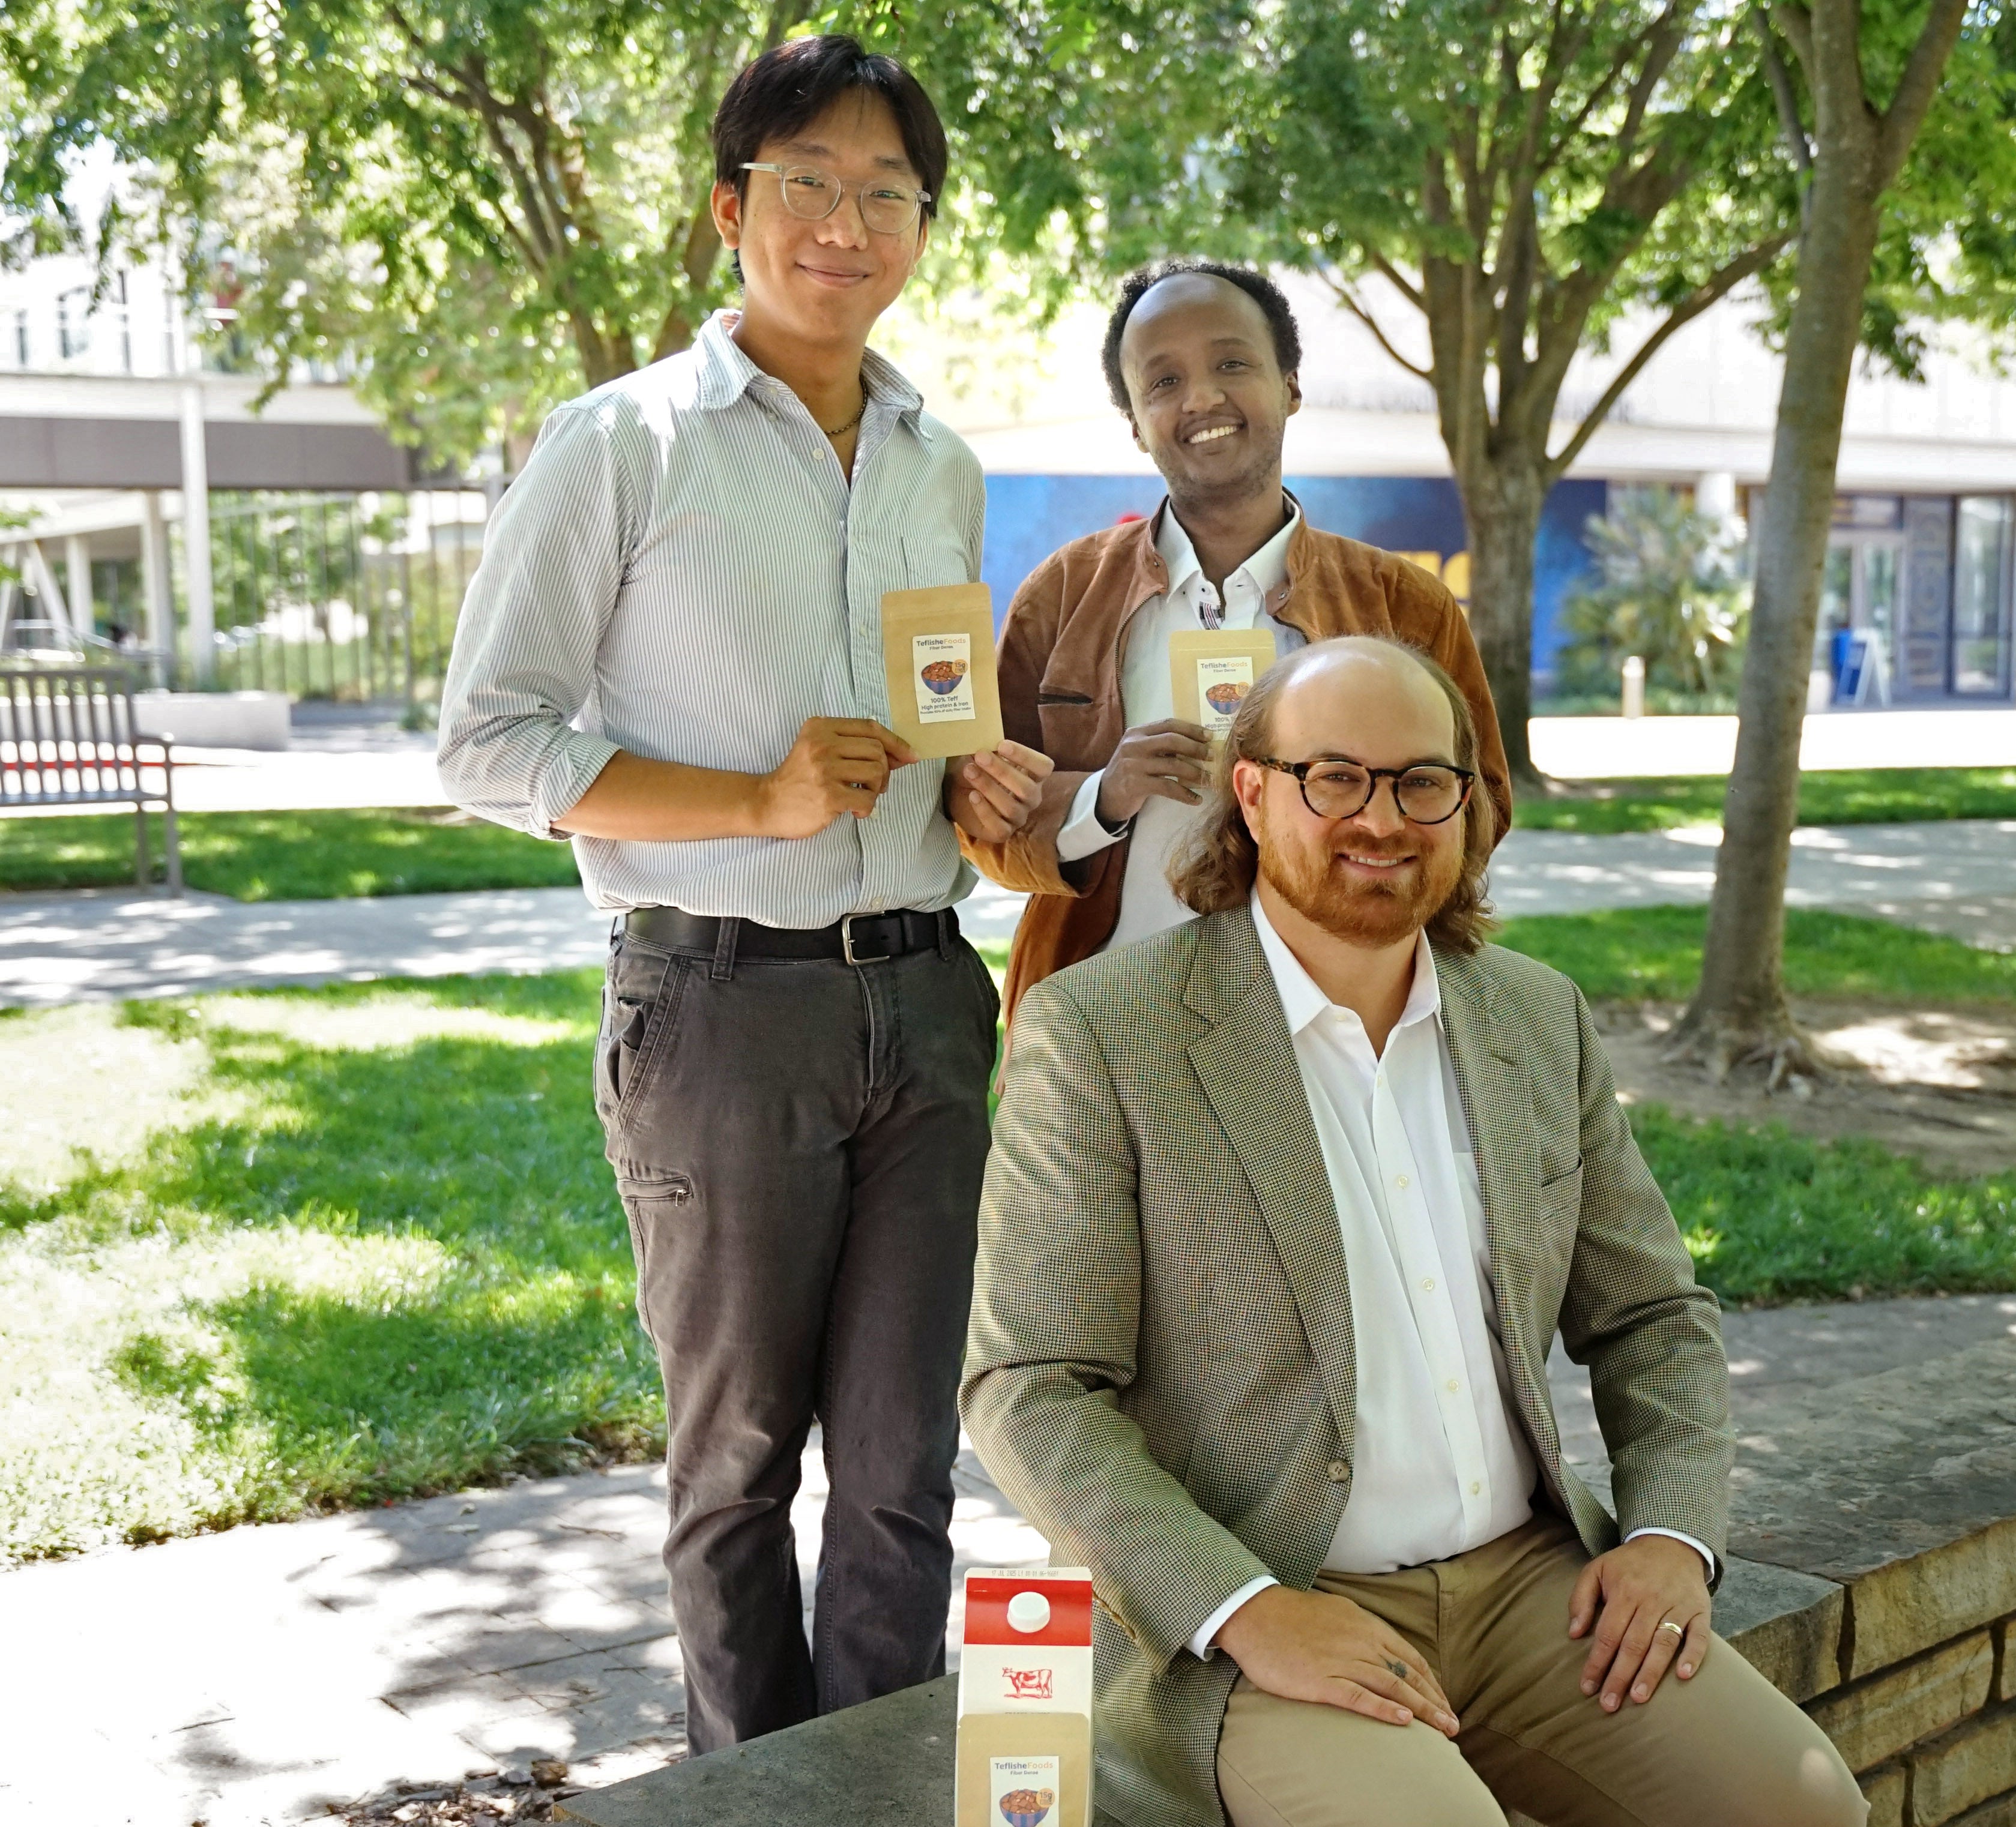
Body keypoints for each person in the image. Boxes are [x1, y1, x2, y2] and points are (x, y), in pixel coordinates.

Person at [963, 637, 1867, 1827]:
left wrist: (1666, 1534)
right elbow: (1030, 1387)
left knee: (1801, 1807)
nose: (1379, 818)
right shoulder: (1105, 1034)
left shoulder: (1537, 1016)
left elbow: (1651, 1316)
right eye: (1331, 776)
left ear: (1464, 799)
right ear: (1250, 789)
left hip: (1533, 1585)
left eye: (1418, 781)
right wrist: (1244, 1609)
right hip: (1270, 1597)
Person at [436, 37, 1050, 1753]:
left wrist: (978, 775)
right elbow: (486, 742)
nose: (846, 223)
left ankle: (872, 1783)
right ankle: (749, 1795)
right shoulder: (622, 440)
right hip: (717, 1006)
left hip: (928, 999)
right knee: (733, 1468)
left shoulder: (940, 460)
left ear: (922, 226)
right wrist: (757, 798)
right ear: (731, 208)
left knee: (906, 1470)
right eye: (807, 183)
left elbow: (927, 715)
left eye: (886, 193)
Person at [963, 259, 1510, 1018]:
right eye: (1163, 381)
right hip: (1106, 1023)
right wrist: (1101, 795)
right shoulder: (1061, 595)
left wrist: (1350, 800)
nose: (1202, 397)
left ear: (1289, 384)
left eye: (1231, 363)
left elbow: (1480, 808)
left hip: (1333, 1021)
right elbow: (986, 818)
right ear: (1133, 421)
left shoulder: (1400, 605)